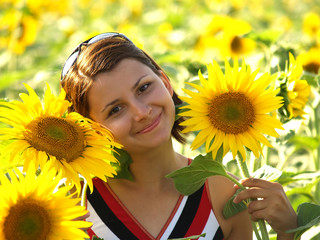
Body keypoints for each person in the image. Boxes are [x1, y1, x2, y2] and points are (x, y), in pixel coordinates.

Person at [60, 32, 298, 240]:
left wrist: (288, 231)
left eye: (143, 88)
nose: (142, 112)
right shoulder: (73, 203)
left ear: (165, 81)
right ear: (91, 128)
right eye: (116, 110)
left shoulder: (225, 194)